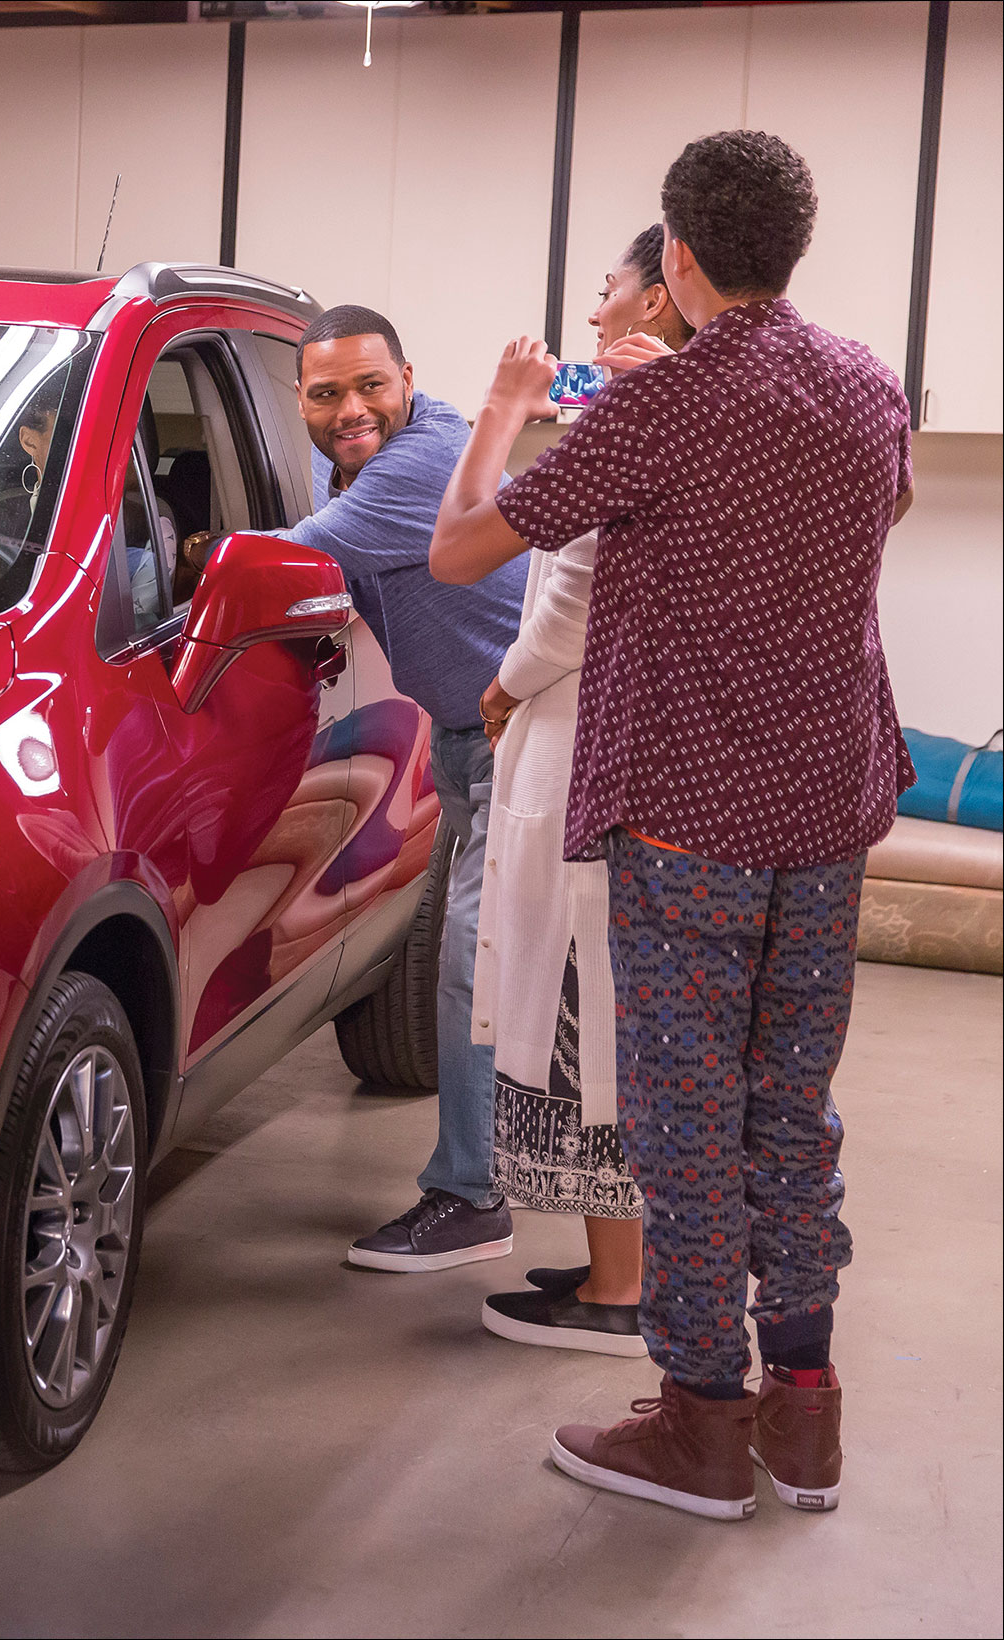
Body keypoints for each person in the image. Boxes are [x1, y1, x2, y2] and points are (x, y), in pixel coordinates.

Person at [432, 131, 913, 1520]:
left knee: (685, 1121)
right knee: (789, 1111)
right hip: (826, 806)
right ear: (791, 248)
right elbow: (865, 525)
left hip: (688, 814)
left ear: (679, 259)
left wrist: (503, 414)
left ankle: (700, 1422)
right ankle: (802, 1422)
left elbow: (458, 549)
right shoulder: (867, 386)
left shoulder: (659, 405)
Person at [474, 226, 693, 1358]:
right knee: (613, 1021)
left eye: (607, 287)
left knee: (583, 1025)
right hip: (649, 753)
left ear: (659, 294)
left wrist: (503, 685)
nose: (594, 307)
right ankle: (625, 1266)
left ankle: (616, 1292)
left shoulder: (625, 412)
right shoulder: (704, 414)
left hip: (583, 752)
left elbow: (565, 595)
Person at [278, 305, 530, 1273]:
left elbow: (283, 557)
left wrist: (156, 564)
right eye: (327, 392)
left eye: (369, 385)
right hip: (466, 736)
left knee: (475, 964)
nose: (351, 408)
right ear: (297, 398)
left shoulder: (421, 460)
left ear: (407, 378)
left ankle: (470, 1197)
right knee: (486, 965)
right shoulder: (346, 461)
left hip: (521, 734)